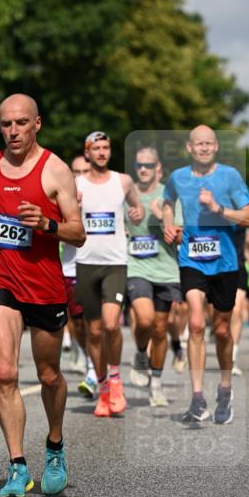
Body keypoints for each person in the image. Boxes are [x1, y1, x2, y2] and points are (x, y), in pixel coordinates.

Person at [0, 94, 84, 497]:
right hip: (1, 279)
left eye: (21, 123)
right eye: (6, 124)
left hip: (45, 285)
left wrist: (47, 223)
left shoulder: (56, 171)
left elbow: (78, 232)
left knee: (49, 375)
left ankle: (54, 445)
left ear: (37, 124)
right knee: (6, 373)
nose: (13, 131)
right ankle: (17, 466)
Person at [163, 125, 249, 425]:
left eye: (208, 143)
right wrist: (168, 224)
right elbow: (167, 202)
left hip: (226, 263)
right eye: (197, 144)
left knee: (222, 330)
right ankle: (198, 396)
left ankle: (225, 388)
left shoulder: (229, 175)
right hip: (192, 257)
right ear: (190, 148)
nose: (203, 148)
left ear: (215, 147)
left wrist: (220, 209)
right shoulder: (178, 177)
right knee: (195, 321)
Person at [74, 131, 144, 418]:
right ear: (87, 153)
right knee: (92, 331)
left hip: (115, 262)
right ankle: (103, 389)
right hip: (86, 262)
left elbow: (136, 206)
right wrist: (72, 207)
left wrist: (137, 213)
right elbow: (61, 213)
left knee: (112, 325)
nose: (102, 152)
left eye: (106, 147)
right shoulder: (76, 184)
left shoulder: (123, 181)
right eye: (96, 148)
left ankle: (115, 379)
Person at [126, 146, 183, 408]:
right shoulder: (127, 193)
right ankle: (139, 353)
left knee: (160, 330)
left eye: (148, 165)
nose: (143, 169)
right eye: (139, 165)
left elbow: (181, 236)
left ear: (157, 167)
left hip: (166, 269)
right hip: (136, 267)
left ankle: (156, 385)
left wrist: (163, 218)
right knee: (145, 318)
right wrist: (125, 224)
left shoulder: (169, 196)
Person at [63, 154, 90, 378]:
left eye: (85, 172)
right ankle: (83, 351)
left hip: (97, 267)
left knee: (98, 322)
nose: (80, 177)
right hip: (69, 269)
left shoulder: (102, 195)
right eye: (76, 172)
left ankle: (94, 369)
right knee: (78, 323)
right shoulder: (62, 198)